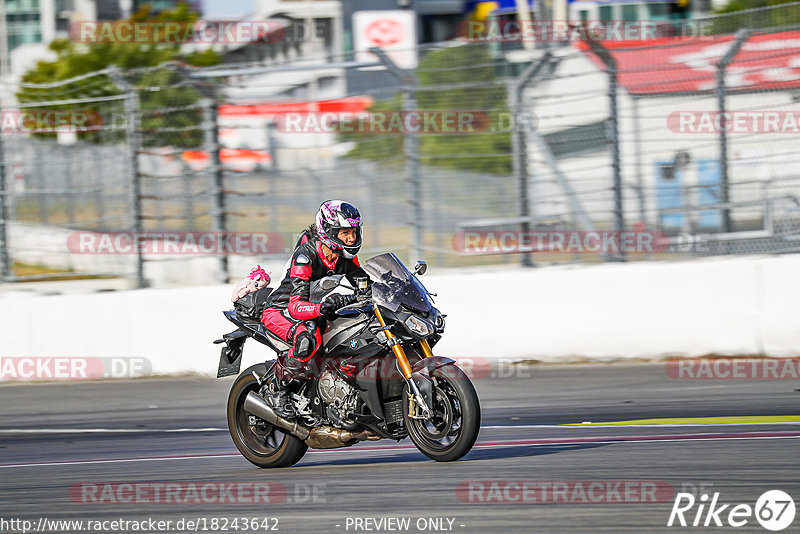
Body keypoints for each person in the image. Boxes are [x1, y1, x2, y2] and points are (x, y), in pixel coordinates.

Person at [260, 200, 369, 418]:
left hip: (314, 311)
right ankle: (277, 389)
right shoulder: (306, 256)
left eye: (354, 232)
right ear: (328, 231)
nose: (351, 238)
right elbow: (295, 305)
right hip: (280, 312)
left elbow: (365, 284)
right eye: (344, 233)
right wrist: (325, 306)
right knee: (306, 339)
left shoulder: (344, 257)